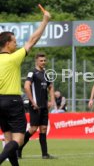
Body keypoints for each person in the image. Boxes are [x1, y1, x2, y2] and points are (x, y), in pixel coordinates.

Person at [0, 10, 51, 165]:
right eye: (14, 41)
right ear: (7, 43)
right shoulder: (13, 58)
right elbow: (33, 40)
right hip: (13, 102)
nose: (16, 44)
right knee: (19, 140)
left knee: (9, 141)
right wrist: (45, 21)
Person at [17, 53, 56, 159]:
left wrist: (51, 101)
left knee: (43, 128)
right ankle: (18, 149)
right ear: (36, 61)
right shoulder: (32, 73)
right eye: (41, 60)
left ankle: (45, 154)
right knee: (33, 128)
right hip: (35, 106)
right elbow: (26, 86)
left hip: (44, 106)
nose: (43, 62)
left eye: (44, 60)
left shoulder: (45, 74)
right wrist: (32, 101)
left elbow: (51, 87)